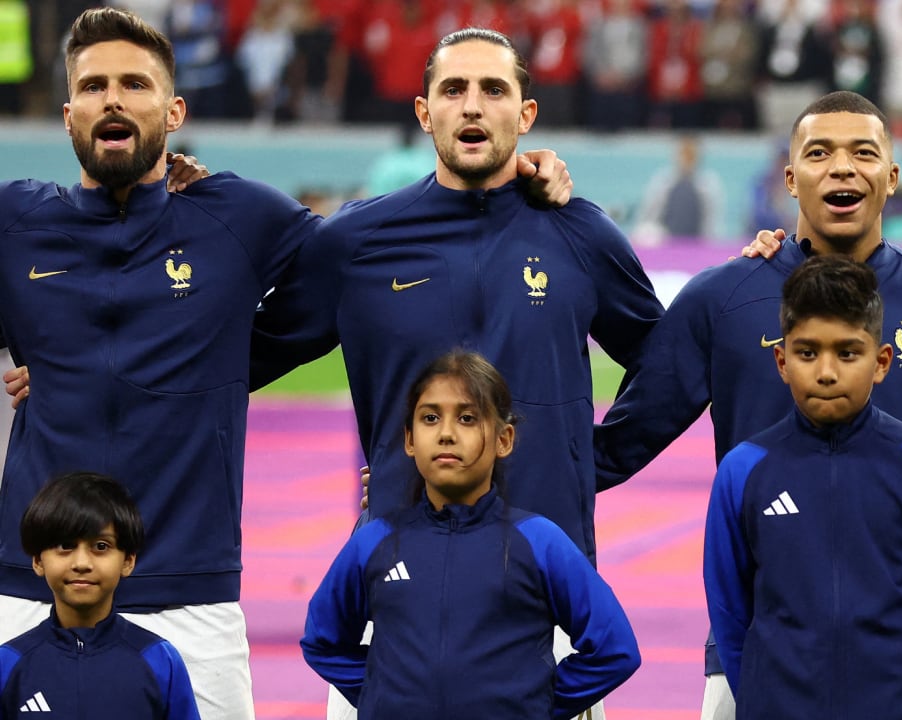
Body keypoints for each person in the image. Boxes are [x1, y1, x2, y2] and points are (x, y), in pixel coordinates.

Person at [0, 10, 570, 720]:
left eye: (135, 84)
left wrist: (521, 180)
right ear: (67, 114)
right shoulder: (15, 222)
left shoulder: (236, 217)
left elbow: (378, 258)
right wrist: (39, 357)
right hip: (28, 591)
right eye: (93, 86)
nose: (113, 100)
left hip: (190, 596)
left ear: (173, 110)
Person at [248, 27, 662, 718]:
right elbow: (237, 356)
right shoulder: (356, 242)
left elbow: (666, 359)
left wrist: (592, 460)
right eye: (454, 90)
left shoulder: (581, 235)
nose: (472, 106)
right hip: (393, 595)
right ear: (423, 112)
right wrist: (72, 367)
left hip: (546, 602)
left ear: (525, 115)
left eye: (493, 90)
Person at [598, 90, 902, 719]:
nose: (841, 167)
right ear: (789, 177)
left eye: (863, 152)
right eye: (819, 152)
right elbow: (620, 444)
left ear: (892, 176)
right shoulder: (724, 298)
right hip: (751, 661)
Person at [301, 351, 641, 717]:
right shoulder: (375, 542)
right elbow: (322, 640)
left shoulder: (540, 543)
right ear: (410, 439)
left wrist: (534, 704)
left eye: (467, 418)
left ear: (504, 439)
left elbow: (615, 649)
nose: (446, 434)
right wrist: (382, 693)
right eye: (430, 418)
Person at [704, 255, 902, 719]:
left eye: (847, 353)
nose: (826, 372)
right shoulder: (744, 471)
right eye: (807, 353)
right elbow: (730, 611)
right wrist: (766, 698)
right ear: (782, 361)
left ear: (882, 361)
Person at [0, 472, 200, 719]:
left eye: (101, 546)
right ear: (38, 560)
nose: (82, 563)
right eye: (65, 546)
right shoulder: (9, 664)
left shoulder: (159, 660)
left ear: (128, 560)